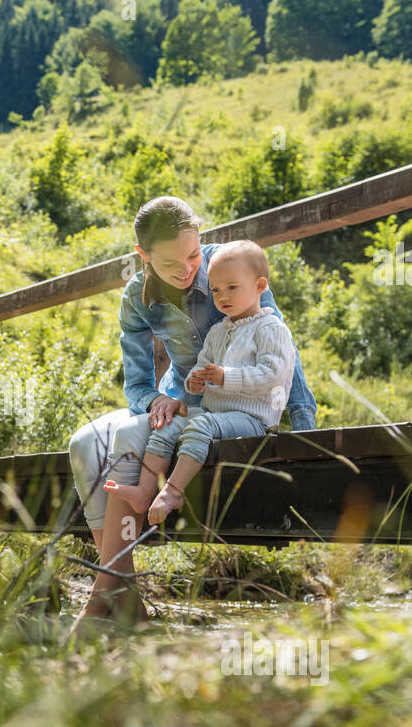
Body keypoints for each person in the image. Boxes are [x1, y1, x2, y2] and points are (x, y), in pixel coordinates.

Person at [66, 197, 317, 635]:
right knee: (84, 444)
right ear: (143, 257)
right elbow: (137, 384)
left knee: (121, 438)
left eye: (193, 254)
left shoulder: (232, 267)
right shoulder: (137, 298)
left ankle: (104, 598)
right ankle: (125, 599)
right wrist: (156, 403)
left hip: (232, 410)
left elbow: (281, 355)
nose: (186, 269)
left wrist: (303, 424)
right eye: (169, 262)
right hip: (184, 406)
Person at [102, 239, 294, 526]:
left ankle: (174, 491)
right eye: (216, 290)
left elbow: (273, 376)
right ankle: (144, 490)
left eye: (232, 287)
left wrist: (226, 377)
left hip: (253, 419)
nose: (222, 297)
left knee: (200, 425)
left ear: (259, 286)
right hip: (215, 413)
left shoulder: (271, 329)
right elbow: (202, 367)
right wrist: (196, 381)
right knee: (168, 424)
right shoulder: (218, 331)